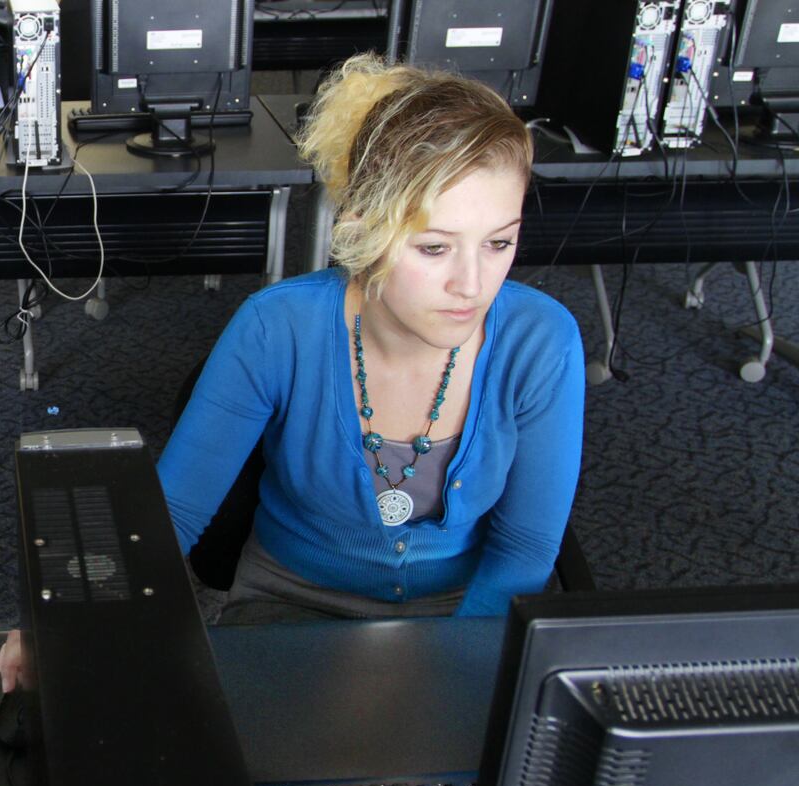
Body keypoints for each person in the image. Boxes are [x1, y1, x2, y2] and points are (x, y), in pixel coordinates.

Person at [158, 54, 585, 621]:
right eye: (434, 247)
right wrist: (85, 623)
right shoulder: (277, 327)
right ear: (361, 231)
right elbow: (171, 515)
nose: (472, 284)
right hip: (290, 599)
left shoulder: (542, 340)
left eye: (498, 244)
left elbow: (524, 549)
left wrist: (458, 656)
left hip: (463, 609)